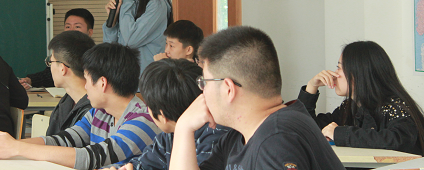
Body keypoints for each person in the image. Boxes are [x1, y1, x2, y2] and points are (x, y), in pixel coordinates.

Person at [170, 26, 345, 170]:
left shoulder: (277, 140)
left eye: (204, 82)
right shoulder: (238, 137)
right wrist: (183, 128)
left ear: (228, 89)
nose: (202, 91)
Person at [0, 43, 162, 170]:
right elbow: (63, 140)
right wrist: (6, 145)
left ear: (102, 83)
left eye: (87, 80)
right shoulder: (99, 112)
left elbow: (91, 157)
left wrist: (17, 148)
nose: (85, 86)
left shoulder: (143, 120)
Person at [297, 40, 424, 155]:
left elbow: (398, 140)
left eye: (339, 68)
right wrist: (311, 88)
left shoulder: (395, 107)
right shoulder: (350, 107)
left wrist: (340, 133)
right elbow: (306, 128)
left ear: (358, 73)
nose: (334, 74)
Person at [109, 59, 229, 170]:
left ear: (162, 115)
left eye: (148, 105)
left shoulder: (216, 137)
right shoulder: (168, 137)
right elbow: (143, 164)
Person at [20, 8, 95, 89]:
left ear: (90, 32)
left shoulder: (95, 57)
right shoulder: (62, 51)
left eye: (77, 26)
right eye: (68, 26)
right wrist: (30, 80)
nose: (71, 31)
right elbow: (49, 75)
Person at [45, 30, 95, 135]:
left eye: (51, 62)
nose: (50, 67)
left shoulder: (95, 111)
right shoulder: (67, 101)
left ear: (62, 68)